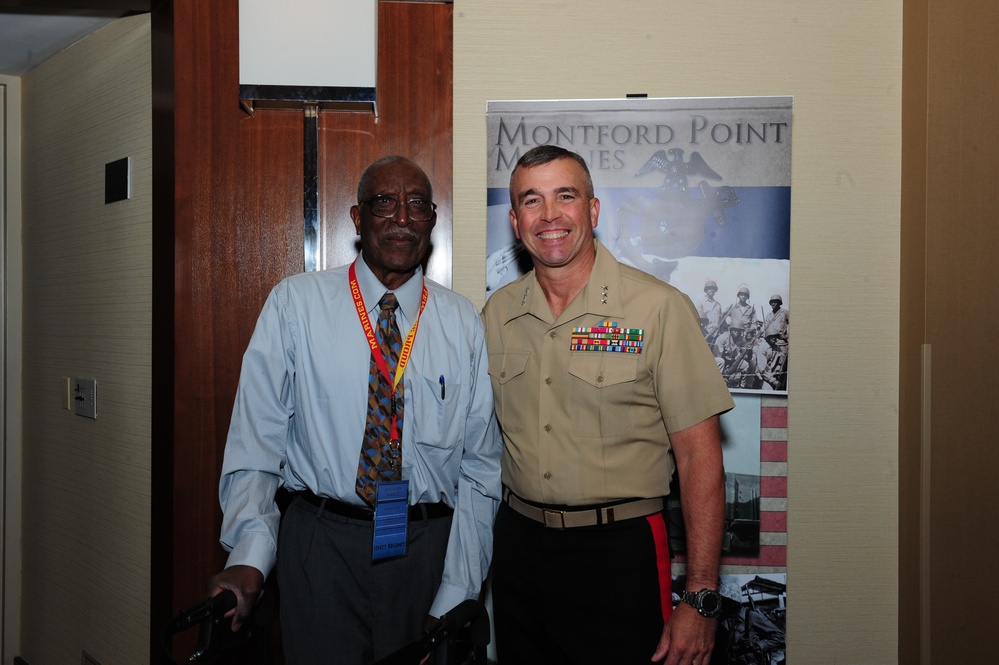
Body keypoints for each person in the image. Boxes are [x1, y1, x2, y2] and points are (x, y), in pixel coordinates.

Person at [208, 156, 502, 665]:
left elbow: (480, 469)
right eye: (384, 203)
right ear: (357, 217)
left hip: (428, 548)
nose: (402, 218)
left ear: (433, 221)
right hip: (320, 546)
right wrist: (250, 554)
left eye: (417, 205)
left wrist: (458, 589)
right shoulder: (294, 306)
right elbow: (257, 441)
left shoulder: (462, 322)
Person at [482, 145, 735, 665]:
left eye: (565, 196)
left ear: (593, 211)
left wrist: (701, 598)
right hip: (518, 552)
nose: (549, 215)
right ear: (515, 221)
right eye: (532, 201)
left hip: (619, 554)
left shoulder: (658, 309)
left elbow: (700, 459)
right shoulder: (496, 314)